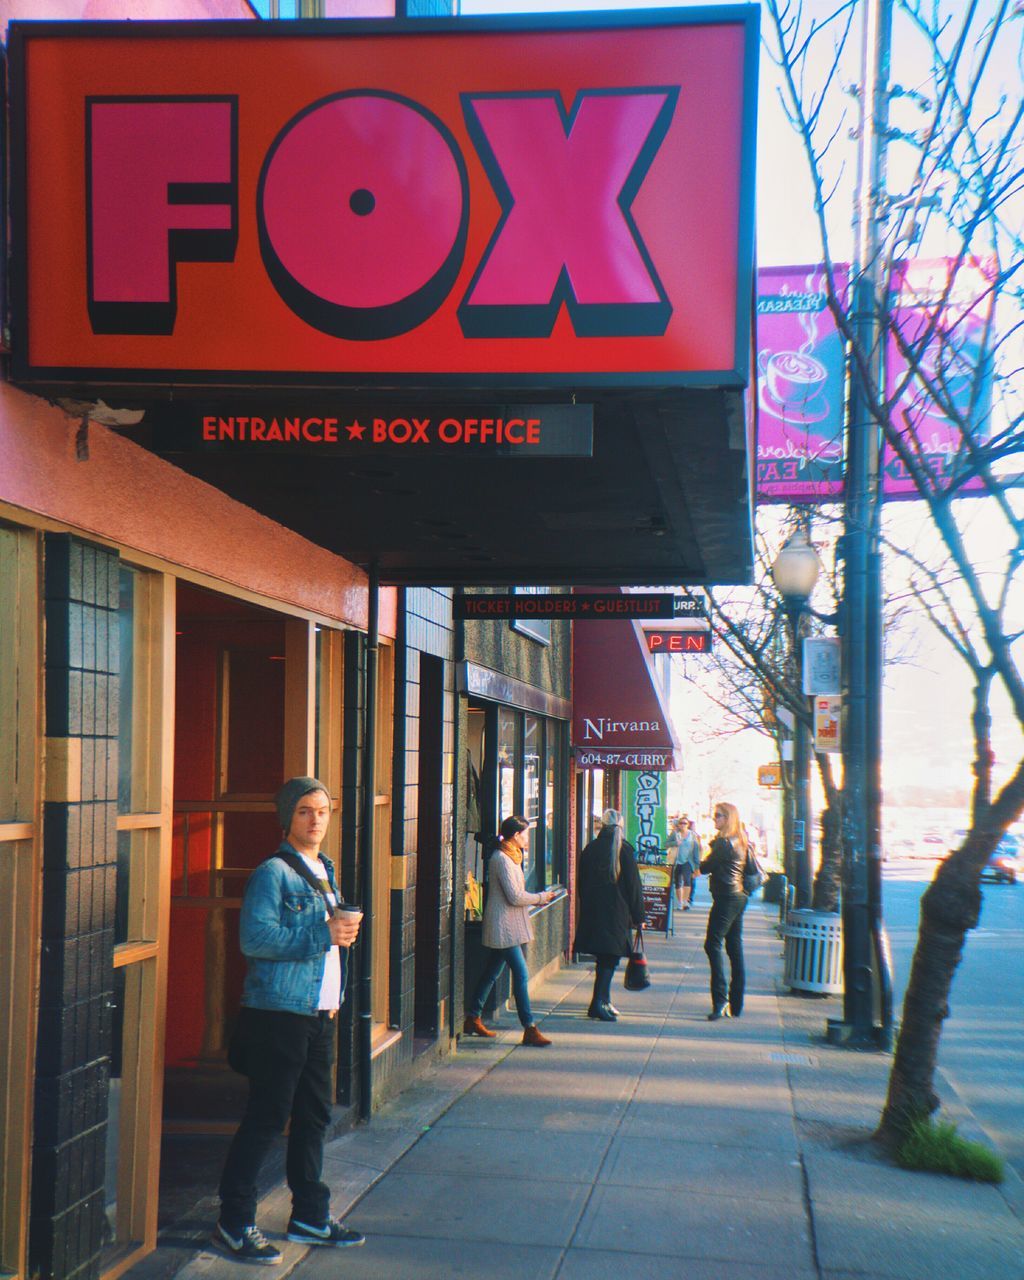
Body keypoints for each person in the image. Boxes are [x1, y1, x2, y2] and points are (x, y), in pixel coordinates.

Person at [215, 777, 365, 1264]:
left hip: (319, 1013)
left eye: (322, 810)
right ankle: (234, 1221)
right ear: (288, 817)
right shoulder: (272, 873)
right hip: (279, 1015)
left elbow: (325, 938)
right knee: (267, 1117)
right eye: (304, 811)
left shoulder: (325, 869)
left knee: (314, 1117)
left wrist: (336, 954)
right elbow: (255, 939)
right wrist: (324, 933)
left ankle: (309, 1216)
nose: (316, 819)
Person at [463, 816, 562, 1046]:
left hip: (510, 925)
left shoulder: (513, 857)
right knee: (521, 973)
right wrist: (541, 898)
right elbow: (515, 896)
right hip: (503, 926)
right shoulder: (502, 859)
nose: (527, 838)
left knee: (492, 972)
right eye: (525, 834)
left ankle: (473, 1017)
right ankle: (529, 1027)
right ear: (515, 836)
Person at [573, 809, 646, 1022]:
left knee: (605, 958)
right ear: (620, 826)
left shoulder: (590, 849)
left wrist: (586, 905)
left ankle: (601, 1000)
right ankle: (598, 1002)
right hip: (617, 913)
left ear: (602, 825)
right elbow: (634, 887)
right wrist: (639, 916)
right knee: (610, 958)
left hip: (594, 912)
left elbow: (581, 883)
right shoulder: (624, 851)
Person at [699, 801, 750, 1021]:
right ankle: (736, 1003)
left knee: (712, 944)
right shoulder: (741, 840)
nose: (714, 819)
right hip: (738, 895)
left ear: (727, 818)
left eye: (718, 816)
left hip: (726, 898)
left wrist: (706, 854)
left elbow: (705, 867)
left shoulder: (724, 843)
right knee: (734, 948)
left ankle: (720, 1000)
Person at [667, 816, 701, 909]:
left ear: (688, 825)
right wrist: (675, 843)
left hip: (688, 861)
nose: (683, 825)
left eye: (685, 823)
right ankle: (680, 902)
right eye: (681, 823)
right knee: (677, 882)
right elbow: (666, 844)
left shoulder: (692, 835)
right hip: (676, 861)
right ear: (678, 824)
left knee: (687, 881)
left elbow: (696, 850)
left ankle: (686, 902)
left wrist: (697, 866)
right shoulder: (675, 834)